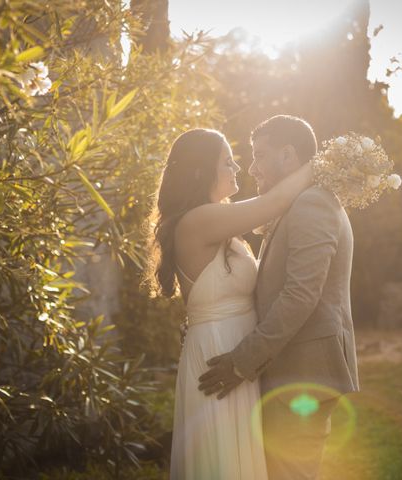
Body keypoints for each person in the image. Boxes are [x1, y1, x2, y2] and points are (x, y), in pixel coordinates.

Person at [198, 115, 359, 479]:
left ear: (288, 156)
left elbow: (301, 295)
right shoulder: (298, 202)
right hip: (293, 370)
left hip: (303, 375)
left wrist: (243, 360)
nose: (252, 167)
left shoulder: (312, 203)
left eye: (259, 155)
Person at [147, 127, 312, 479]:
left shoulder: (218, 218)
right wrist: (325, 163)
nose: (237, 168)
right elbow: (274, 203)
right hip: (218, 352)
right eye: (228, 161)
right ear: (199, 171)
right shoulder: (199, 220)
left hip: (234, 349)